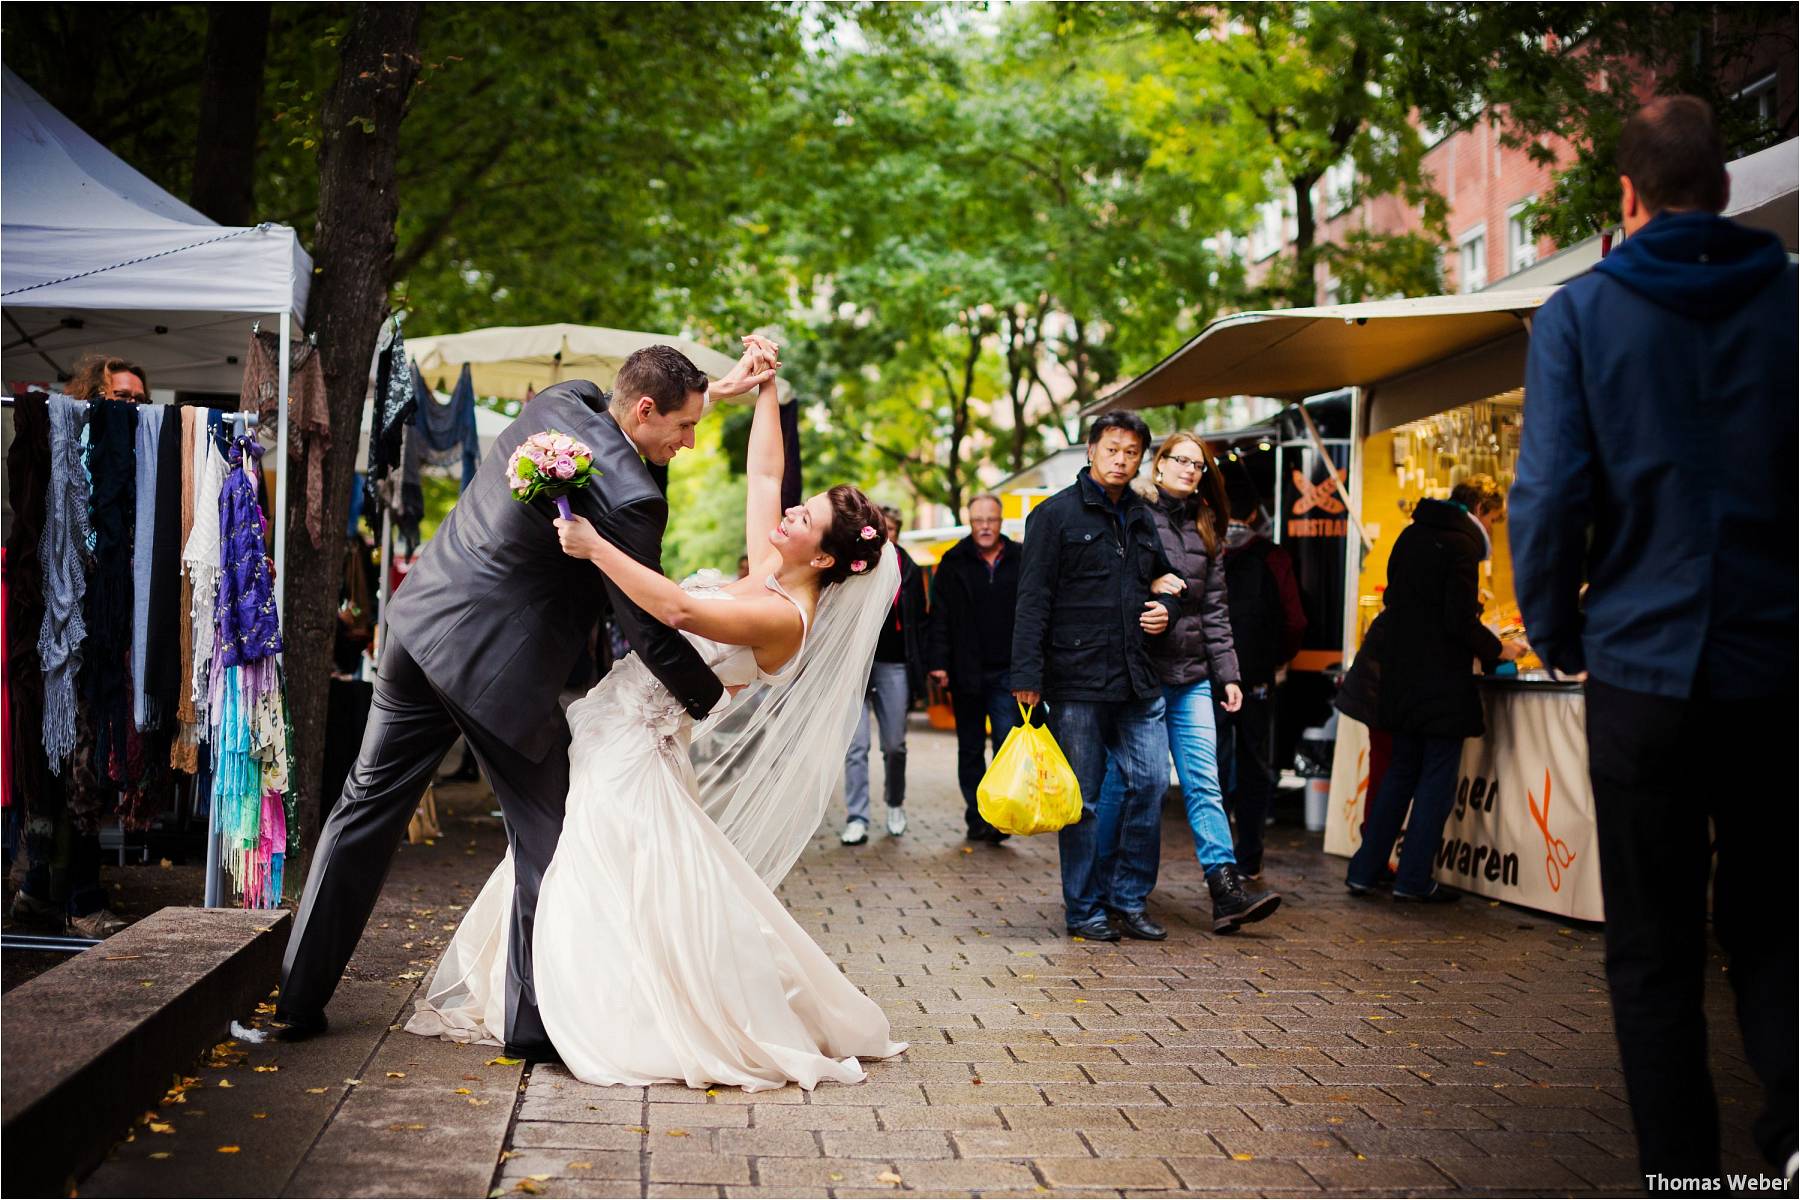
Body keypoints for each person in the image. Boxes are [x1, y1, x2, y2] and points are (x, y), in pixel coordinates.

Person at [408, 358, 906, 1091]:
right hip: (616, 726)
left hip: (639, 747)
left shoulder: (779, 616)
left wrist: (595, 547)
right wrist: (767, 391)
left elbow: (676, 612)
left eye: (807, 519)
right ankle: (538, 1001)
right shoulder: (773, 567)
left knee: (591, 865)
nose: (789, 514)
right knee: (585, 861)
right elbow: (766, 475)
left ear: (825, 556)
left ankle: (594, 1011)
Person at [273, 340, 776, 1055]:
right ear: (643, 410)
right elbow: (653, 630)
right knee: (548, 836)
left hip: (418, 628)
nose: (689, 443)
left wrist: (713, 393)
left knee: (362, 809)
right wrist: (715, 697)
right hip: (494, 675)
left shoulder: (561, 400)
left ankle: (297, 996)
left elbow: (633, 405)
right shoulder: (631, 498)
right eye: (685, 426)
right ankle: (534, 1028)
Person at [1510, 95, 1797, 1189]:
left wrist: (1557, 631)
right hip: (1776, 667)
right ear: (1725, 189)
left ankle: (1685, 1173)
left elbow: (1547, 502)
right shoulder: (1791, 301)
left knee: (1653, 942)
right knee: (1775, 919)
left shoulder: (1580, 315)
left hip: (1639, 668)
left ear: (1624, 200)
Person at [1095, 433, 1278, 939]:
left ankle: (1226, 890)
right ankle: (1101, 880)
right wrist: (1149, 586)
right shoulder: (1133, 514)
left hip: (1193, 675)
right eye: (1180, 460)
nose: (1189, 470)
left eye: (1198, 464)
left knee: (1205, 781)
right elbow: (1108, 583)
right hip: (1142, 676)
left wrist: (1230, 673)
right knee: (1130, 783)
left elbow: (1216, 612)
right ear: (1158, 466)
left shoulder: (1206, 526)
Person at [1010, 411, 1179, 942]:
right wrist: (1026, 674)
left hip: (1137, 674)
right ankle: (1084, 909)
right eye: (1112, 449)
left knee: (1150, 784)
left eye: (1131, 452)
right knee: (1080, 800)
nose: (1121, 459)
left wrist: (1168, 606)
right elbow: (1032, 599)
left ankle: (1128, 899)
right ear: (1090, 450)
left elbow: (1166, 578)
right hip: (1077, 677)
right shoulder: (1054, 515)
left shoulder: (1141, 515)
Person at [9, 354, 149, 938]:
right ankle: (76, 899)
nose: (132, 409)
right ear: (92, 396)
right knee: (61, 764)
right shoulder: (74, 451)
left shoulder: (136, 462)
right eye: (120, 397)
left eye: (139, 399)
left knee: (82, 764)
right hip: (55, 636)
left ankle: (42, 890)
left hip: (96, 641)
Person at [1343, 476, 1521, 903]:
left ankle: (1364, 870)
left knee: (1399, 775)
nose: (1492, 529)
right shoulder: (1461, 547)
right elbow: (1457, 620)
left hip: (1401, 680)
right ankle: (1413, 878)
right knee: (1435, 782)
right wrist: (1499, 648)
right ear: (1480, 509)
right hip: (1441, 684)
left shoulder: (1410, 535)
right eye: (1493, 519)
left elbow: (1398, 604)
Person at [1217, 473, 1306, 878]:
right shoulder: (1274, 557)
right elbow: (1295, 621)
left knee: (1208, 770)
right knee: (1254, 766)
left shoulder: (1203, 552)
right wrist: (1274, 660)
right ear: (1255, 513)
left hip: (1208, 679)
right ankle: (1249, 856)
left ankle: (1216, 859)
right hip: (1255, 678)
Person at [926, 494, 1021, 843]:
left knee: (1005, 745)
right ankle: (977, 816)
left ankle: (998, 816)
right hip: (966, 669)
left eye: (991, 520)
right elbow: (939, 616)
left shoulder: (1020, 558)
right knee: (969, 748)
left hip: (1008, 671)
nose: (984, 526)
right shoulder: (953, 561)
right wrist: (938, 662)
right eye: (978, 519)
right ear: (969, 521)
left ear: (1001, 522)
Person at [840, 506, 925, 844]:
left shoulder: (910, 569)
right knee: (855, 745)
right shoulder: (854, 563)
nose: (884, 534)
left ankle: (895, 803)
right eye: (880, 528)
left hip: (894, 663)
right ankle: (857, 816)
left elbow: (918, 622)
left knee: (895, 744)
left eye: (890, 528)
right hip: (855, 664)